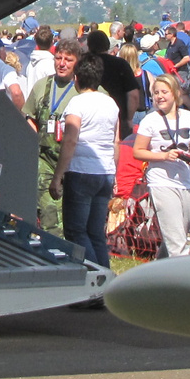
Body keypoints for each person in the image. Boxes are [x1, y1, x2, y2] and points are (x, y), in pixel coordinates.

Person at [50, 53, 120, 268]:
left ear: (76, 78)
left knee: (76, 231)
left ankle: (93, 275)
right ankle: (105, 278)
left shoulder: (76, 103)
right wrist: (114, 173)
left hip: (81, 171)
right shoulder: (111, 103)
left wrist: (58, 176)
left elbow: (70, 140)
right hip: (105, 171)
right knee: (96, 233)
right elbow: (116, 142)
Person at [132, 74, 190, 257]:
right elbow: (137, 151)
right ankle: (183, 282)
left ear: (176, 93)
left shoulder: (187, 116)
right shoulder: (150, 120)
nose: (159, 96)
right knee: (177, 243)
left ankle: (157, 273)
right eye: (155, 93)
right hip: (161, 183)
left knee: (179, 233)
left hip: (184, 181)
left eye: (164, 92)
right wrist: (163, 156)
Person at [22, 38, 82, 233]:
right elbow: (29, 117)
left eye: (68, 60)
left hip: (75, 159)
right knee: (48, 210)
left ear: (77, 63)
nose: (62, 63)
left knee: (75, 214)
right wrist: (34, 140)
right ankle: (53, 246)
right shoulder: (42, 85)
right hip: (46, 160)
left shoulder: (84, 88)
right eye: (58, 58)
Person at [87, 30, 142, 128]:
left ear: (89, 45)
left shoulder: (83, 64)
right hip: (118, 119)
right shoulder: (120, 64)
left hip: (87, 119)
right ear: (107, 45)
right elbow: (133, 94)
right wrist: (128, 119)